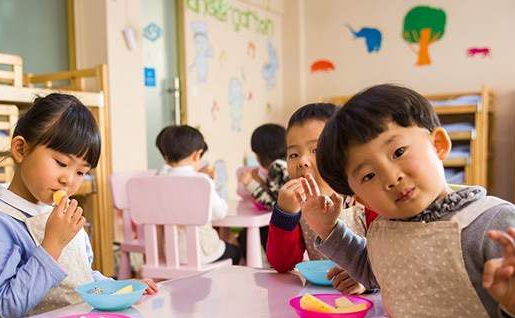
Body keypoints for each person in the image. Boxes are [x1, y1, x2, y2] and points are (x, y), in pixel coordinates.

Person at [298, 84, 515, 318]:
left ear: (439, 144)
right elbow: (370, 269)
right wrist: (329, 228)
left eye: (398, 151)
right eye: (368, 175)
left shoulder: (491, 222)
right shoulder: (384, 228)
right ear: (360, 197)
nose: (390, 176)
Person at [0, 93, 158, 318]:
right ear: (20, 149)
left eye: (80, 172)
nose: (69, 180)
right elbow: (6, 307)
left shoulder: (57, 210)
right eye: (61, 163)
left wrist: (117, 287)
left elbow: (81, 279)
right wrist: (52, 245)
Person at [267, 103, 375, 295]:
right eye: (293, 154)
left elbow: (393, 260)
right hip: (320, 296)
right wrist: (285, 214)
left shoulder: (367, 199)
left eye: (315, 150)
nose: (302, 161)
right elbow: (283, 264)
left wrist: (367, 281)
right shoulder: (300, 205)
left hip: (374, 303)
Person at [156, 125, 242, 265]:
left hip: (170, 254)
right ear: (197, 155)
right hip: (202, 253)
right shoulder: (202, 181)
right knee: (235, 252)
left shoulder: (158, 180)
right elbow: (220, 213)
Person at [237, 123, 288, 253]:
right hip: (291, 221)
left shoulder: (277, 167)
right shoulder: (284, 164)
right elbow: (276, 190)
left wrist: (249, 184)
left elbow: (273, 203)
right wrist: (259, 181)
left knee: (246, 237)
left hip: (286, 225)